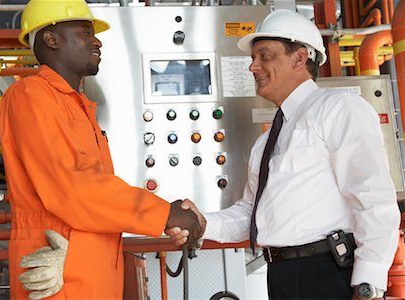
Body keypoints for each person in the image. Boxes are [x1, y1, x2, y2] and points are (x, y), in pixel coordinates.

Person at [167, 9, 401, 300]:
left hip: (328, 273)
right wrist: (202, 223)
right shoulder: (266, 141)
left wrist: (368, 286)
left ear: (300, 58)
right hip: (282, 276)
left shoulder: (340, 108)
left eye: (264, 56)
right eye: (253, 58)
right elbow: (251, 214)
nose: (253, 67)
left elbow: (374, 199)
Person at [0, 0, 202, 299]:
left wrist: (166, 215)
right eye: (84, 32)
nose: (97, 41)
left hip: (92, 270)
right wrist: (164, 214)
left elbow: (97, 190)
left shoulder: (77, 105)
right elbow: (73, 188)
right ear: (51, 39)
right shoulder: (31, 96)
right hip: (59, 273)